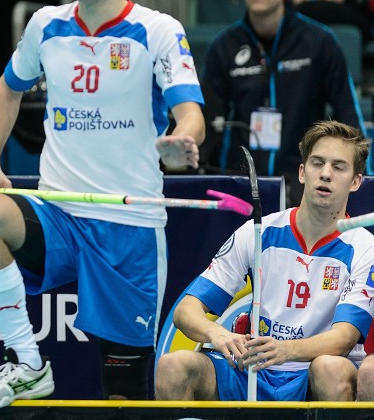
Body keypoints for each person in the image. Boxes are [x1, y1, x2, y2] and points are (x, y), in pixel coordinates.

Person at [0, 0, 205, 411]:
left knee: (124, 397)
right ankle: (27, 363)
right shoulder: (46, 26)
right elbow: (7, 89)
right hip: (59, 211)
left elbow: (190, 113)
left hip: (127, 225)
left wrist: (181, 141)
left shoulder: (157, 31)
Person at [156, 120, 374, 402]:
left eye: (339, 167)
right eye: (317, 163)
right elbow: (186, 310)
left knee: (330, 367)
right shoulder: (258, 231)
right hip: (251, 370)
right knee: (174, 366)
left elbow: (344, 338)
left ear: (356, 181)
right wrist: (217, 334)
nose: (326, 174)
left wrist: (287, 350)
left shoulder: (364, 247)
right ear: (302, 172)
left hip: (312, 372)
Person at [202, 0, 365, 207]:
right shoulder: (224, 47)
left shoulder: (318, 42)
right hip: (240, 184)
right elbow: (206, 117)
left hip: (304, 183)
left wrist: (361, 177)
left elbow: (348, 111)